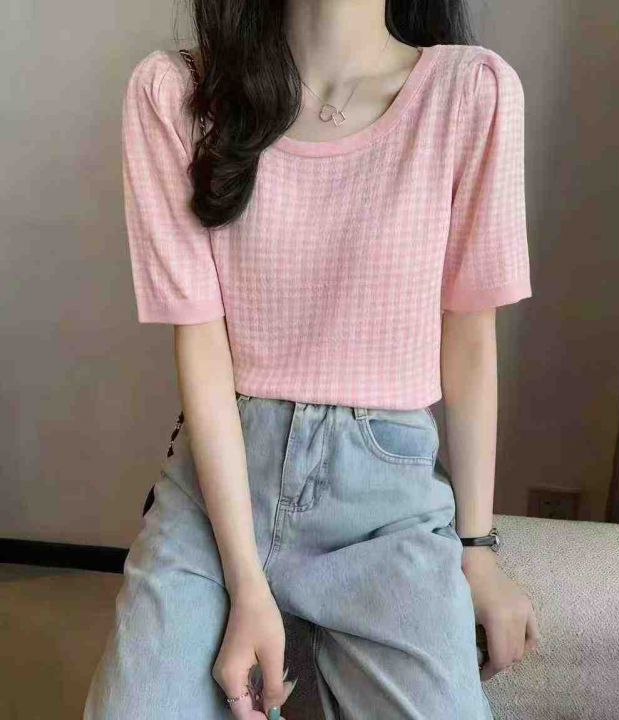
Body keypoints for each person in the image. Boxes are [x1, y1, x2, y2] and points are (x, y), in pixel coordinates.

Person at [84, 0, 540, 718]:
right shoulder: (174, 95)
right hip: (218, 490)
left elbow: (470, 339)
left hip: (386, 507)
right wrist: (247, 583)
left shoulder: (470, 92)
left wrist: (477, 547)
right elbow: (200, 344)